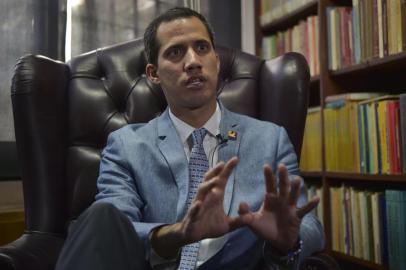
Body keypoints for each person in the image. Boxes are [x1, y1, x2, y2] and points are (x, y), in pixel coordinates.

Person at [55, 7, 324, 270]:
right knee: (99, 216)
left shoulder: (270, 139)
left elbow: (306, 223)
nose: (193, 61)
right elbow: (115, 230)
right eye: (175, 52)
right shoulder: (126, 145)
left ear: (216, 62)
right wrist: (178, 233)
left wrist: (286, 242)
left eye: (202, 48)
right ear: (154, 74)